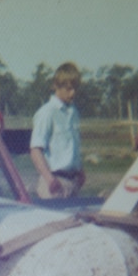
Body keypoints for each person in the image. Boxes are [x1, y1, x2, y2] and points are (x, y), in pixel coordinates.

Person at [29, 62, 85, 199]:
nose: (73, 93)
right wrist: (49, 179)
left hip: (72, 183)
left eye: (75, 89)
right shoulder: (47, 113)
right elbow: (36, 150)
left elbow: (71, 147)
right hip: (54, 184)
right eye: (69, 89)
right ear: (56, 85)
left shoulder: (74, 113)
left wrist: (80, 170)